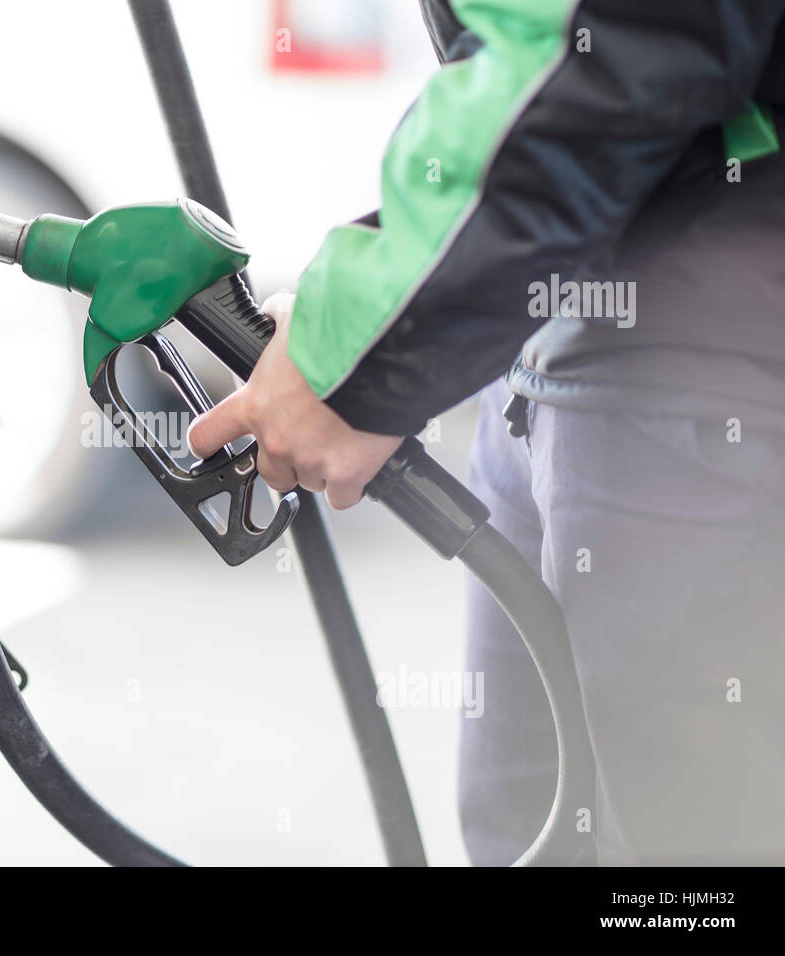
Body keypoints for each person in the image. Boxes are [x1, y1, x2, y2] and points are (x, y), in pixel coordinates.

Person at [188, 0, 785, 865]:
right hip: (576, 329)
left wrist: (358, 348)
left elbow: (603, 40)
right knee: (537, 837)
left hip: (707, 342)